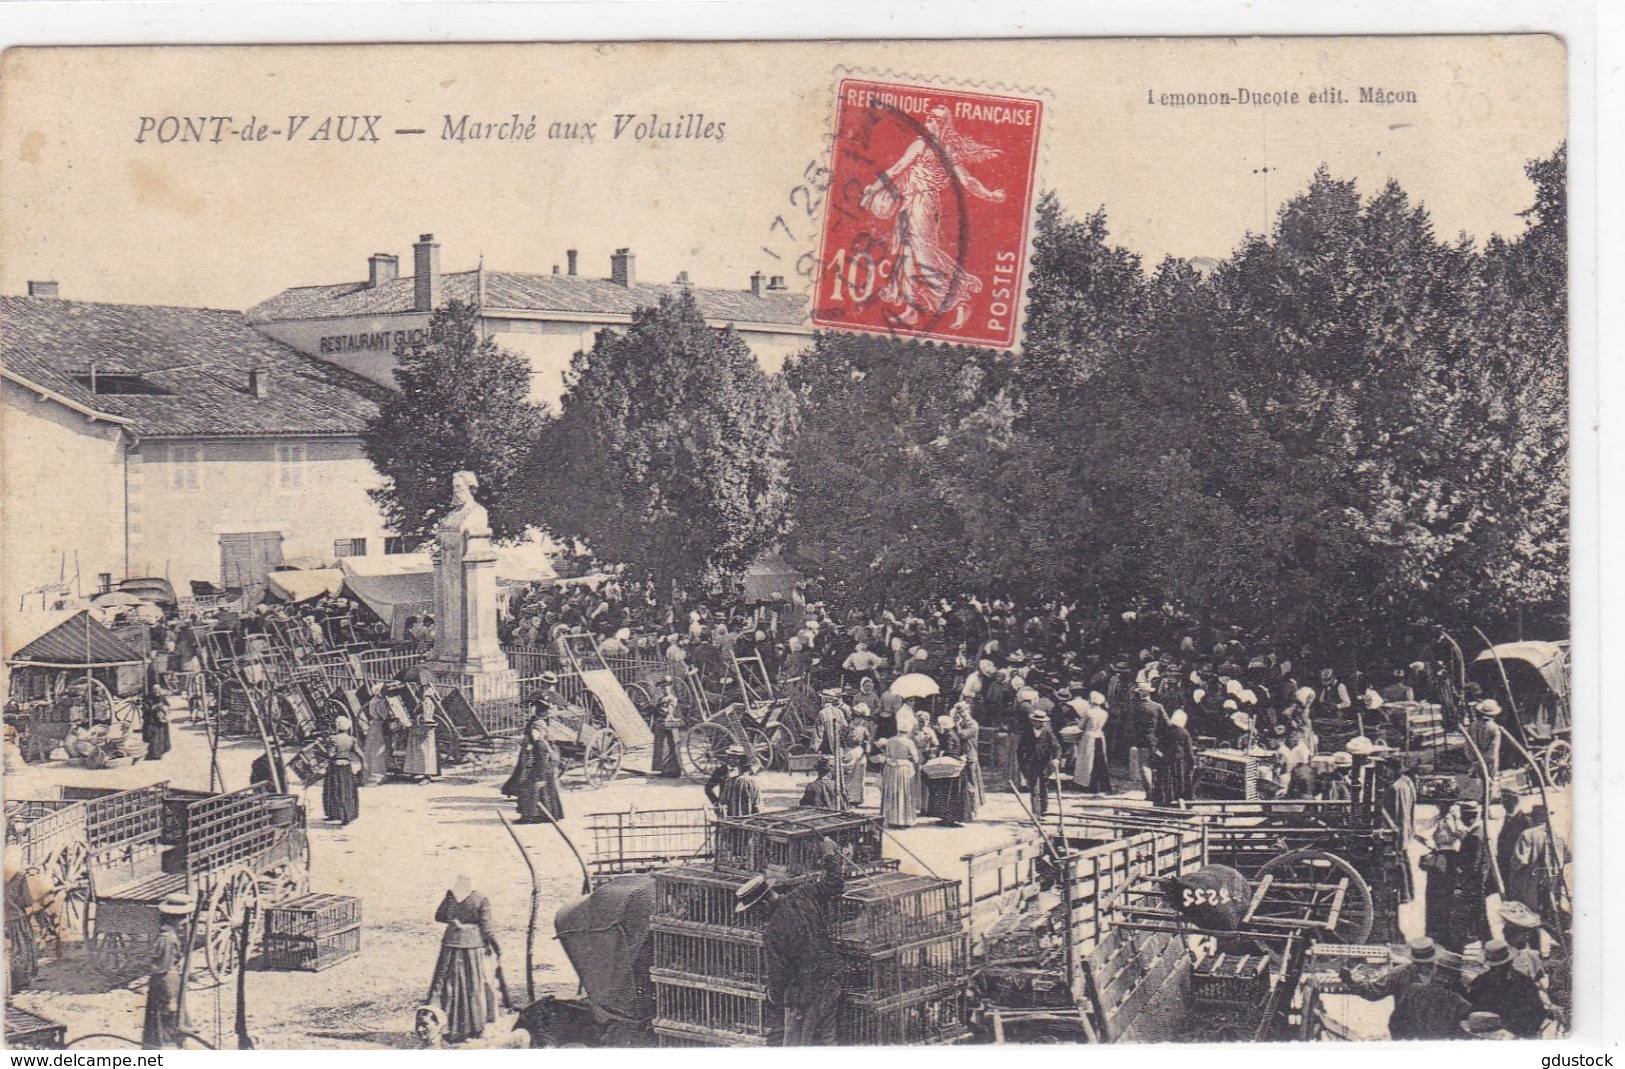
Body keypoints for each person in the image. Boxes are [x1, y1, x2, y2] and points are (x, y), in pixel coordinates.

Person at [764, 854, 846, 1045]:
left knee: (796, 1043)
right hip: (830, 980)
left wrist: (773, 996)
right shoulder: (805, 894)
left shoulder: (773, 930)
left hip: (802, 994)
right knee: (827, 1038)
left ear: (764, 903)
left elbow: (778, 974)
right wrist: (829, 857)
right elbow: (835, 883)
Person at [1342, 936, 1470, 1038]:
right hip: (1408, 1028)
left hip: (1439, 1031)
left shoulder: (1447, 975)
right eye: (1421, 964)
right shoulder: (1399, 973)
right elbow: (1374, 992)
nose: (1426, 967)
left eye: (1429, 965)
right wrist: (1351, 982)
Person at [427, 874, 500, 1044]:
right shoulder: (480, 898)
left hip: (450, 946)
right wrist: (496, 947)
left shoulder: (451, 896)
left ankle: (445, 1026)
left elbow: (439, 916)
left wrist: (455, 922)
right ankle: (475, 1028)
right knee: (473, 986)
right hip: (472, 948)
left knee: (447, 984)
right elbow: (487, 928)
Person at [1468, 939, 1549, 1038]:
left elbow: (1537, 1011)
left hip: (1509, 1033)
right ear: (1510, 961)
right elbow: (1538, 1011)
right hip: (1501, 1034)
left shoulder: (1479, 982)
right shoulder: (1524, 981)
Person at [143, 892, 193, 1049]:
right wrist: (171, 999)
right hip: (166, 987)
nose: (185, 922)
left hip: (168, 984)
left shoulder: (167, 935)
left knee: (168, 1022)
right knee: (167, 1023)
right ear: (174, 918)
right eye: (183, 917)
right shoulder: (167, 940)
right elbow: (163, 971)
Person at [1505, 802, 1569, 921]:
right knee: (1549, 910)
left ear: (1534, 817)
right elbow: (1568, 857)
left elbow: (1519, 861)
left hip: (1531, 882)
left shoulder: (1527, 835)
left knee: (1530, 914)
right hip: (1552, 881)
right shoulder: (1558, 835)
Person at [504, 716, 565, 823]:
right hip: (543, 772)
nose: (533, 733)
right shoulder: (540, 742)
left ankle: (531, 817)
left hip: (541, 773)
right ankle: (546, 815)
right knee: (545, 794)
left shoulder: (540, 744)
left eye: (536, 731)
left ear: (541, 732)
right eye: (533, 731)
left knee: (527, 789)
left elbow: (542, 762)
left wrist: (539, 778)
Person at [924, 713, 976, 826]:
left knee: (948, 794)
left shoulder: (949, 735)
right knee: (951, 794)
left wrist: (938, 753)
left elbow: (950, 751)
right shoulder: (951, 733)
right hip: (952, 767)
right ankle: (948, 817)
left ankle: (949, 818)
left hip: (951, 768)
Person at [879, 709, 922, 829]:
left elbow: (887, 754)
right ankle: (903, 819)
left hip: (891, 767)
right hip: (904, 768)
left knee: (893, 793)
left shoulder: (890, 740)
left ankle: (892, 818)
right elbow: (915, 758)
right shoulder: (909, 742)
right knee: (904, 792)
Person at [1016, 708, 1061, 818]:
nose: (1039, 724)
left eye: (1041, 722)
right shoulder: (1027, 732)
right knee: (1034, 789)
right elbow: (1020, 749)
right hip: (1031, 764)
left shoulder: (1047, 732)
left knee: (1044, 788)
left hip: (1045, 764)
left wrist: (1056, 759)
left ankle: (1044, 810)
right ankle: (1036, 813)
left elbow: (1057, 747)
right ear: (1033, 721)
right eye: (1037, 722)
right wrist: (1022, 763)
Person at [322, 717, 362, 825]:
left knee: (332, 790)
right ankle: (347, 816)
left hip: (334, 767)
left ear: (337, 726)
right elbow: (360, 753)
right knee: (346, 791)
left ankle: (333, 815)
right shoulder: (351, 739)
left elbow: (331, 754)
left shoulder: (333, 739)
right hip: (346, 767)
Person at [1152, 709, 1197, 805]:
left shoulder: (1166, 730)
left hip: (1166, 758)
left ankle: (1166, 799)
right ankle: (1178, 799)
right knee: (1179, 779)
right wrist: (1192, 762)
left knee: (1166, 779)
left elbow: (1160, 745)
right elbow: (1189, 750)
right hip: (1178, 759)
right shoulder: (1184, 732)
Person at [1072, 691, 1112, 795]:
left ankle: (1088, 784)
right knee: (1100, 761)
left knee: (1087, 761)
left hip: (1089, 737)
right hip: (1099, 735)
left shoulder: (1088, 712)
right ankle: (1103, 785)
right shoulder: (1104, 713)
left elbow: (1080, 726)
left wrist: (1078, 721)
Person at [707, 746, 761, 818]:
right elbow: (708, 788)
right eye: (730, 757)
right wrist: (716, 802)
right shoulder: (720, 771)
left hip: (745, 806)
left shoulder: (746, 770)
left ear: (741, 759)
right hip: (727, 806)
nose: (733, 760)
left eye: (736, 758)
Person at [840, 705, 874, 808]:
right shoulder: (847, 728)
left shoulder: (863, 729)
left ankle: (856, 799)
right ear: (854, 718)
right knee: (848, 775)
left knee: (858, 776)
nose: (861, 721)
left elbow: (867, 741)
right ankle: (846, 797)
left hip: (859, 752)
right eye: (859, 718)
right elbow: (841, 740)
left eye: (862, 719)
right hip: (848, 751)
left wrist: (867, 752)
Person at [651, 677, 684, 778]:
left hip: (669, 725)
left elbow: (669, 712)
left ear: (670, 687)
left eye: (666, 687)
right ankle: (663, 770)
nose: (664, 689)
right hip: (660, 724)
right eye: (662, 688)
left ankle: (674, 771)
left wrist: (659, 708)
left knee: (670, 746)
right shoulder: (660, 699)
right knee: (661, 747)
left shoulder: (673, 699)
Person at [1466, 700, 1505, 782]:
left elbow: (1467, 746)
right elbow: (1493, 751)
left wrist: (1474, 761)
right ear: (1494, 715)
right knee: (1490, 783)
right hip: (1489, 762)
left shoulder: (1472, 726)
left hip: (1475, 760)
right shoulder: (1494, 728)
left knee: (1478, 784)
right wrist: (1481, 762)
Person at [142, 684, 173, 761]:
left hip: (161, 720)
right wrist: (155, 707)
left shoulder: (162, 697)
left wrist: (164, 708)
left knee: (161, 737)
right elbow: (145, 709)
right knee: (153, 736)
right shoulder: (148, 698)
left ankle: (159, 753)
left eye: (158, 689)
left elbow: (168, 706)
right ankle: (154, 754)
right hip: (151, 720)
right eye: (155, 690)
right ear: (152, 690)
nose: (157, 691)